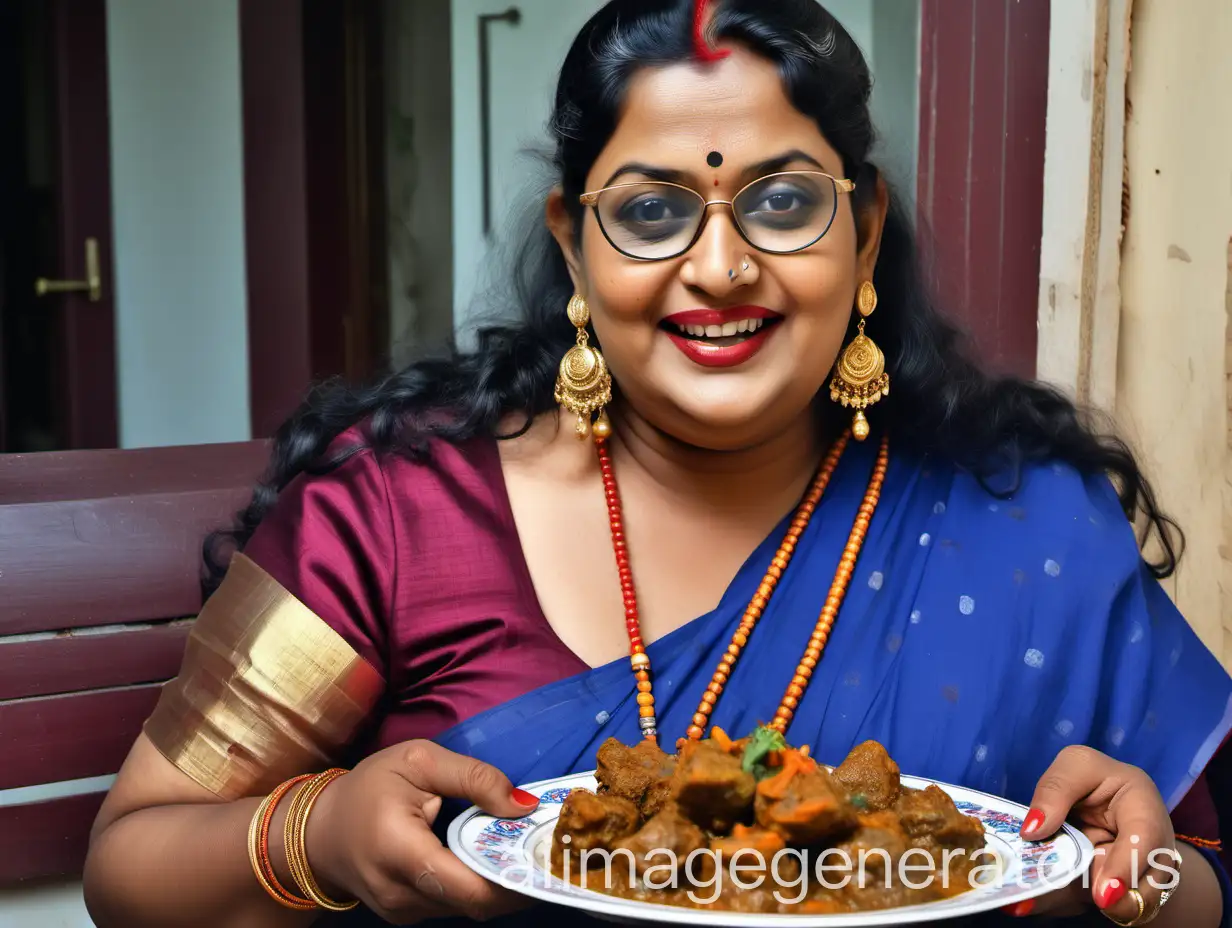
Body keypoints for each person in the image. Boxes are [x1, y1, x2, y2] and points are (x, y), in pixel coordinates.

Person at [82, 1, 1230, 926]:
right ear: (573, 246)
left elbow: (1200, 870)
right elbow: (131, 863)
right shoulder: (397, 513)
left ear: (865, 231)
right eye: (649, 212)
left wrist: (1144, 886)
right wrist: (317, 837)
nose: (721, 265)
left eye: (782, 201)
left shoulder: (1023, 523)